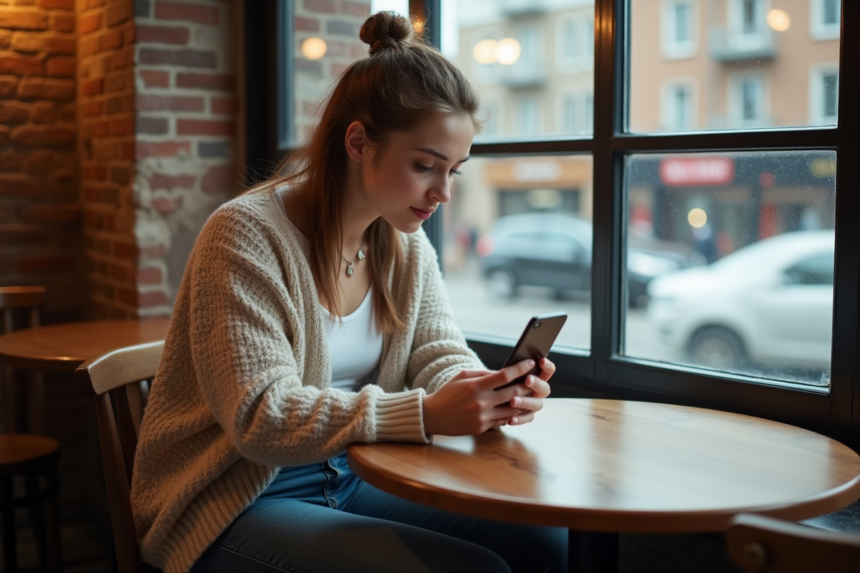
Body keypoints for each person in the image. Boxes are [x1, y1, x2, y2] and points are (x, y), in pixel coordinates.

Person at [131, 12, 567, 573]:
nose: (444, 192)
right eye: (425, 165)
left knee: (548, 539)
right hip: (237, 501)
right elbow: (260, 416)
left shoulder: (404, 243)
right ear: (359, 141)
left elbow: (436, 349)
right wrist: (428, 413)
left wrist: (482, 388)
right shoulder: (244, 234)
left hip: (353, 474)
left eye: (455, 171)